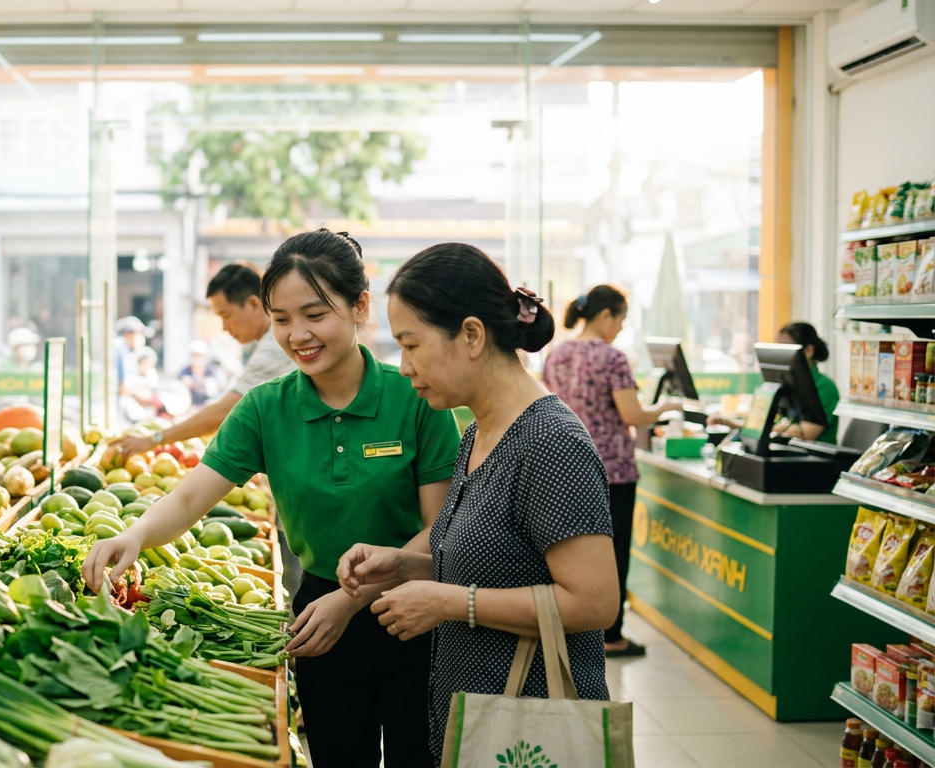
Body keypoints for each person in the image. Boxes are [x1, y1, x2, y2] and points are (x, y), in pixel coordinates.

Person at [83, 230, 459, 768]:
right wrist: (134, 535)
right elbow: (191, 498)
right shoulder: (265, 408)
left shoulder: (414, 396)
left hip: (414, 612)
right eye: (281, 320)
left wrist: (352, 600)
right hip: (318, 621)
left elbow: (438, 528)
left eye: (315, 314)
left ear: (359, 307)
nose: (298, 335)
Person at [333, 243, 621, 764]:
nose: (403, 367)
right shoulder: (478, 432)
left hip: (529, 731)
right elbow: (497, 566)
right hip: (476, 719)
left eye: (412, 345)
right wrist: (403, 565)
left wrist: (448, 602)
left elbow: (594, 602)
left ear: (471, 334)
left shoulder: (550, 442)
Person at [542, 285, 680, 658]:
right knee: (612, 552)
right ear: (606, 316)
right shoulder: (612, 357)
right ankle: (610, 634)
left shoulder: (557, 353)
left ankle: (576, 628)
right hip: (612, 471)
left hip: (564, 467)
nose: (620, 327)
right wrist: (665, 406)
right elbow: (633, 416)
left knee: (567, 553)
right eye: (620, 319)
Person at [107, 261, 295, 456]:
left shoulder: (274, 347)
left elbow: (225, 411)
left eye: (226, 315)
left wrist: (153, 440)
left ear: (254, 304)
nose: (224, 327)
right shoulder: (270, 342)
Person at [708, 321, 840, 443]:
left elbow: (806, 433)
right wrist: (735, 423)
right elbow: (772, 422)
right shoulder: (786, 384)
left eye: (787, 348)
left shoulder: (825, 387)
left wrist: (747, 426)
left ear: (808, 351)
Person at [179, 340, 222, 407]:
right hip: (190, 406)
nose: (196, 359)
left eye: (199, 356)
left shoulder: (212, 371)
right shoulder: (185, 372)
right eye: (194, 355)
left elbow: (216, 389)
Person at [114, 316, 147, 386]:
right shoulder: (121, 353)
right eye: (136, 334)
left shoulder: (132, 352)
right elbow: (122, 386)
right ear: (127, 335)